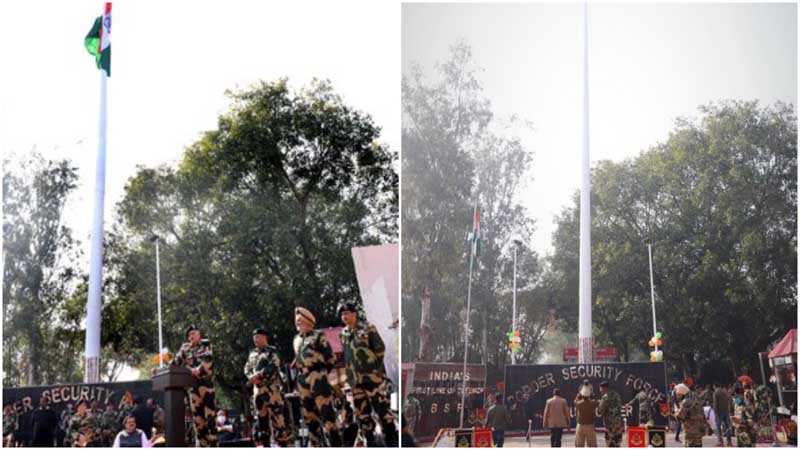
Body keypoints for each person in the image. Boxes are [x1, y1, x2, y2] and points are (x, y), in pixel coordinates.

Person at [338, 300, 399, 447]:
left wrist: (374, 370)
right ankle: (370, 442)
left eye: (347, 313)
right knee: (362, 415)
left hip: (372, 379)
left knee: (382, 411)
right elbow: (347, 357)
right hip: (355, 382)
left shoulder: (368, 328)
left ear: (354, 313)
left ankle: (392, 441)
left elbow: (380, 349)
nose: (344, 316)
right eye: (342, 314)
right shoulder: (343, 334)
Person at [292, 307, 343, 447]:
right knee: (309, 416)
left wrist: (321, 373)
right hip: (303, 378)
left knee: (326, 413)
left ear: (308, 322)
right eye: (296, 322)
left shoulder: (318, 335)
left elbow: (330, 358)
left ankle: (336, 445)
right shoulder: (296, 339)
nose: (297, 325)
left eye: (300, 322)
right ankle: (316, 445)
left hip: (318, 375)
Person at [244, 327, 294, 446]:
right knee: (262, 422)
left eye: (257, 337)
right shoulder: (252, 354)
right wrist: (250, 376)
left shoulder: (272, 351)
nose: (255, 340)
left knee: (278, 420)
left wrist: (259, 375)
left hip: (272, 392)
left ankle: (283, 445)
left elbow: (274, 366)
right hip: (258, 392)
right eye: (254, 338)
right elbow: (246, 368)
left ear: (264, 337)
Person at [172, 324, 218, 447]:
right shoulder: (184, 349)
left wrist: (197, 370)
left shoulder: (206, 345)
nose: (191, 336)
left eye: (194, 333)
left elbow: (208, 362)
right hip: (193, 389)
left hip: (206, 388)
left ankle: (214, 445)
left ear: (199, 335)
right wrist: (161, 369)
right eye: (189, 335)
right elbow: (174, 364)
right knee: (198, 422)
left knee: (210, 420)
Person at [675, 383, 707, 447]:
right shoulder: (696, 399)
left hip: (690, 433)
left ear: (682, 393)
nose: (677, 396)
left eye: (678, 394)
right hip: (698, 432)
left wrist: (676, 411)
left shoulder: (685, 402)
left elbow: (679, 416)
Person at [597, 381, 623, 447]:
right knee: (617, 442)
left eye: (601, 389)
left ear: (604, 388)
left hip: (609, 424)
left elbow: (600, 410)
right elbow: (619, 406)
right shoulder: (616, 395)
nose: (600, 391)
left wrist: (598, 406)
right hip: (618, 423)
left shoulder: (605, 397)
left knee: (610, 443)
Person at [574, 381, 598, 447]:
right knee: (592, 445)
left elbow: (575, 401)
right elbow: (596, 401)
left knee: (579, 445)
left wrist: (579, 394)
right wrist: (592, 394)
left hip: (580, 425)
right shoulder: (593, 403)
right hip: (590, 425)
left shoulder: (579, 404)